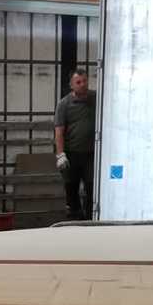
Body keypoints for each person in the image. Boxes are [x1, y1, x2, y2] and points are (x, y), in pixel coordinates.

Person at [54, 67, 96, 221]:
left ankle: (91, 220)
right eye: (78, 82)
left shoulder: (96, 99)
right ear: (71, 85)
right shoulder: (64, 104)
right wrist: (60, 154)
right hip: (72, 154)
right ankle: (74, 220)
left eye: (85, 81)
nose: (83, 84)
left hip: (91, 154)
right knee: (71, 188)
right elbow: (59, 131)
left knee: (92, 188)